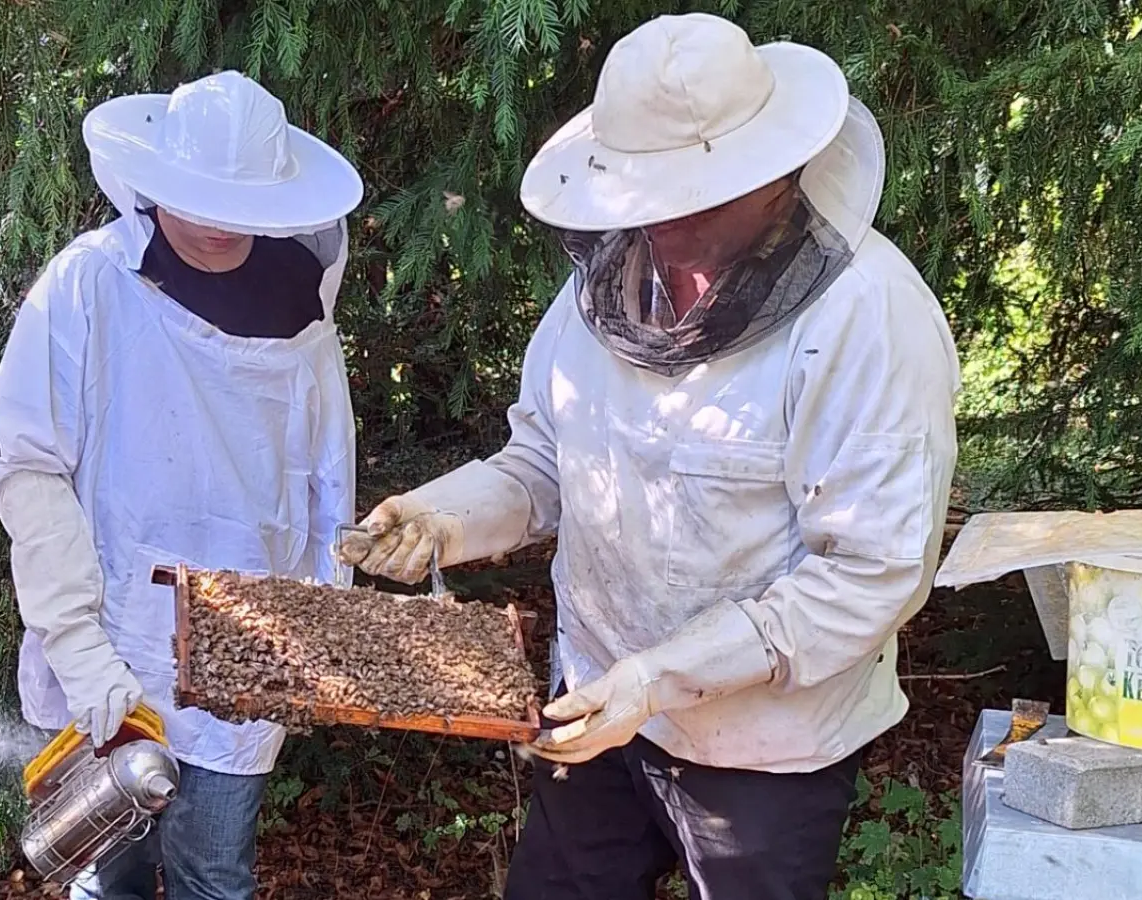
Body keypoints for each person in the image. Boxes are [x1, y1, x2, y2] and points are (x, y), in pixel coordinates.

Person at [339, 14, 961, 900]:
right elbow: (544, 462)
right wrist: (444, 516)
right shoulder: (601, 291)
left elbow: (872, 571)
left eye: (698, 194)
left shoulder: (868, 318)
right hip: (596, 704)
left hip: (764, 750)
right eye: (649, 193)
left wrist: (660, 678)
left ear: (777, 171)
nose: (666, 220)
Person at [0, 70, 363, 899]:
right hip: (114, 635)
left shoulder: (302, 308)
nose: (216, 223)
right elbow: (32, 472)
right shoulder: (89, 282)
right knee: (104, 875)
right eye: (199, 199)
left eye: (237, 204)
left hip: (248, 642)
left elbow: (329, 481)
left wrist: (320, 627)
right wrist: (77, 644)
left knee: (213, 876)